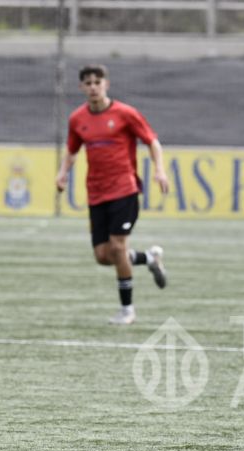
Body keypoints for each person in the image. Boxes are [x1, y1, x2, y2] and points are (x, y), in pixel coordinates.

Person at [55, 64, 170, 325]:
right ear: (81, 87)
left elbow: (152, 141)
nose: (93, 87)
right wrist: (62, 173)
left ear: (106, 84)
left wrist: (159, 171)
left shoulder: (125, 114)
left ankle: (127, 310)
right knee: (103, 256)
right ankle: (150, 258)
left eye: (98, 82)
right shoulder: (77, 119)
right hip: (96, 192)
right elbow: (72, 150)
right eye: (88, 83)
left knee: (118, 247)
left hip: (124, 189)